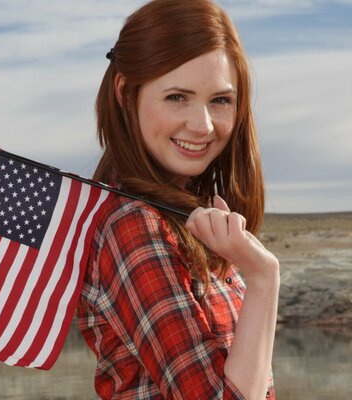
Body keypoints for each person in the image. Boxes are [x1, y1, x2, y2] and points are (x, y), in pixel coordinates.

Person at [76, 0, 280, 399]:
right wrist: (263, 278)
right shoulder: (133, 226)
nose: (202, 125)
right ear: (125, 92)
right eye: (177, 97)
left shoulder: (183, 216)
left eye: (220, 100)